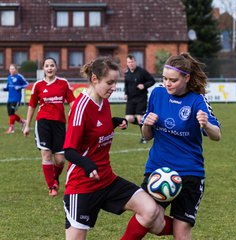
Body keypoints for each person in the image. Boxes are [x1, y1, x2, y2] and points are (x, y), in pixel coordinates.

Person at [63, 56, 172, 240]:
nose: (114, 87)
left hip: (107, 180)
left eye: (116, 82)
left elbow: (96, 129)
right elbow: (69, 151)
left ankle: (182, 229)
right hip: (82, 187)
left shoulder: (103, 100)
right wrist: (88, 166)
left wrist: (114, 121)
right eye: (110, 82)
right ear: (94, 79)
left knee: (150, 210)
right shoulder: (81, 108)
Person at [141, 52, 221, 239]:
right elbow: (147, 136)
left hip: (189, 174)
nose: (167, 83)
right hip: (157, 170)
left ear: (186, 78)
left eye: (173, 80)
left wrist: (206, 125)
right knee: (148, 217)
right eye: (164, 79)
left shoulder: (197, 100)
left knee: (181, 232)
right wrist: (146, 124)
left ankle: (179, 229)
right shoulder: (157, 94)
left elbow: (217, 135)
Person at [23, 57, 75, 197]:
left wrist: (76, 117)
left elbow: (72, 102)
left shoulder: (63, 83)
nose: (50, 68)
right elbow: (32, 105)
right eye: (47, 66)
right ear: (43, 69)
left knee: (59, 160)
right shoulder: (38, 85)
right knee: (46, 154)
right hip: (43, 123)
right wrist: (27, 125)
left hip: (59, 124)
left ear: (56, 67)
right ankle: (51, 186)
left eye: (52, 65)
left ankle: (55, 177)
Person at [124, 54, 155, 144]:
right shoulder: (127, 73)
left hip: (141, 98)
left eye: (132, 62)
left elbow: (152, 81)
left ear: (135, 62)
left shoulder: (142, 72)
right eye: (129, 62)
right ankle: (145, 125)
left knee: (139, 117)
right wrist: (126, 93)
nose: (131, 64)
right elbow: (126, 85)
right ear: (127, 63)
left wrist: (144, 85)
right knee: (128, 118)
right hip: (130, 98)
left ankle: (144, 137)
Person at [3, 64, 29, 134]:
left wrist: (19, 87)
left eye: (13, 69)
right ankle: (24, 122)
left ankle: (11, 129)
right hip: (10, 98)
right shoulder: (9, 77)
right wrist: (4, 89)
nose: (11, 70)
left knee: (11, 113)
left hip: (16, 98)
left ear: (16, 70)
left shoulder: (19, 77)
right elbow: (8, 88)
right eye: (10, 69)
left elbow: (26, 84)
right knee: (11, 114)